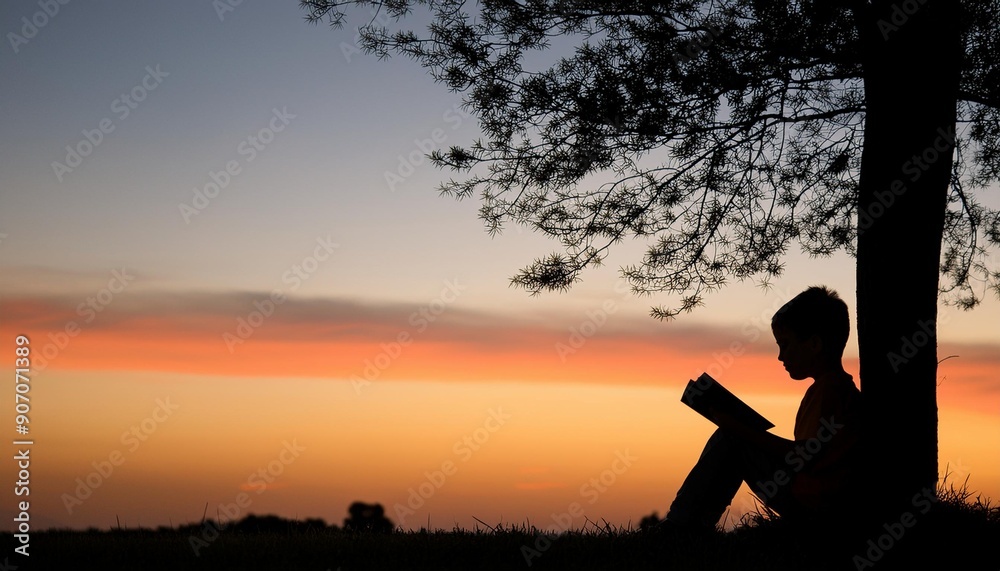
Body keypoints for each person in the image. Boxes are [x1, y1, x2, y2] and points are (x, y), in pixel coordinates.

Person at [664, 286, 862, 529]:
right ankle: (688, 523)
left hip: (816, 508)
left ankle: (680, 526)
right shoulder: (837, 388)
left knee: (730, 440)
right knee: (733, 437)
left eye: (786, 345)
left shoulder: (830, 390)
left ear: (814, 344)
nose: (780, 356)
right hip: (820, 502)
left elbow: (804, 455)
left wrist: (740, 429)